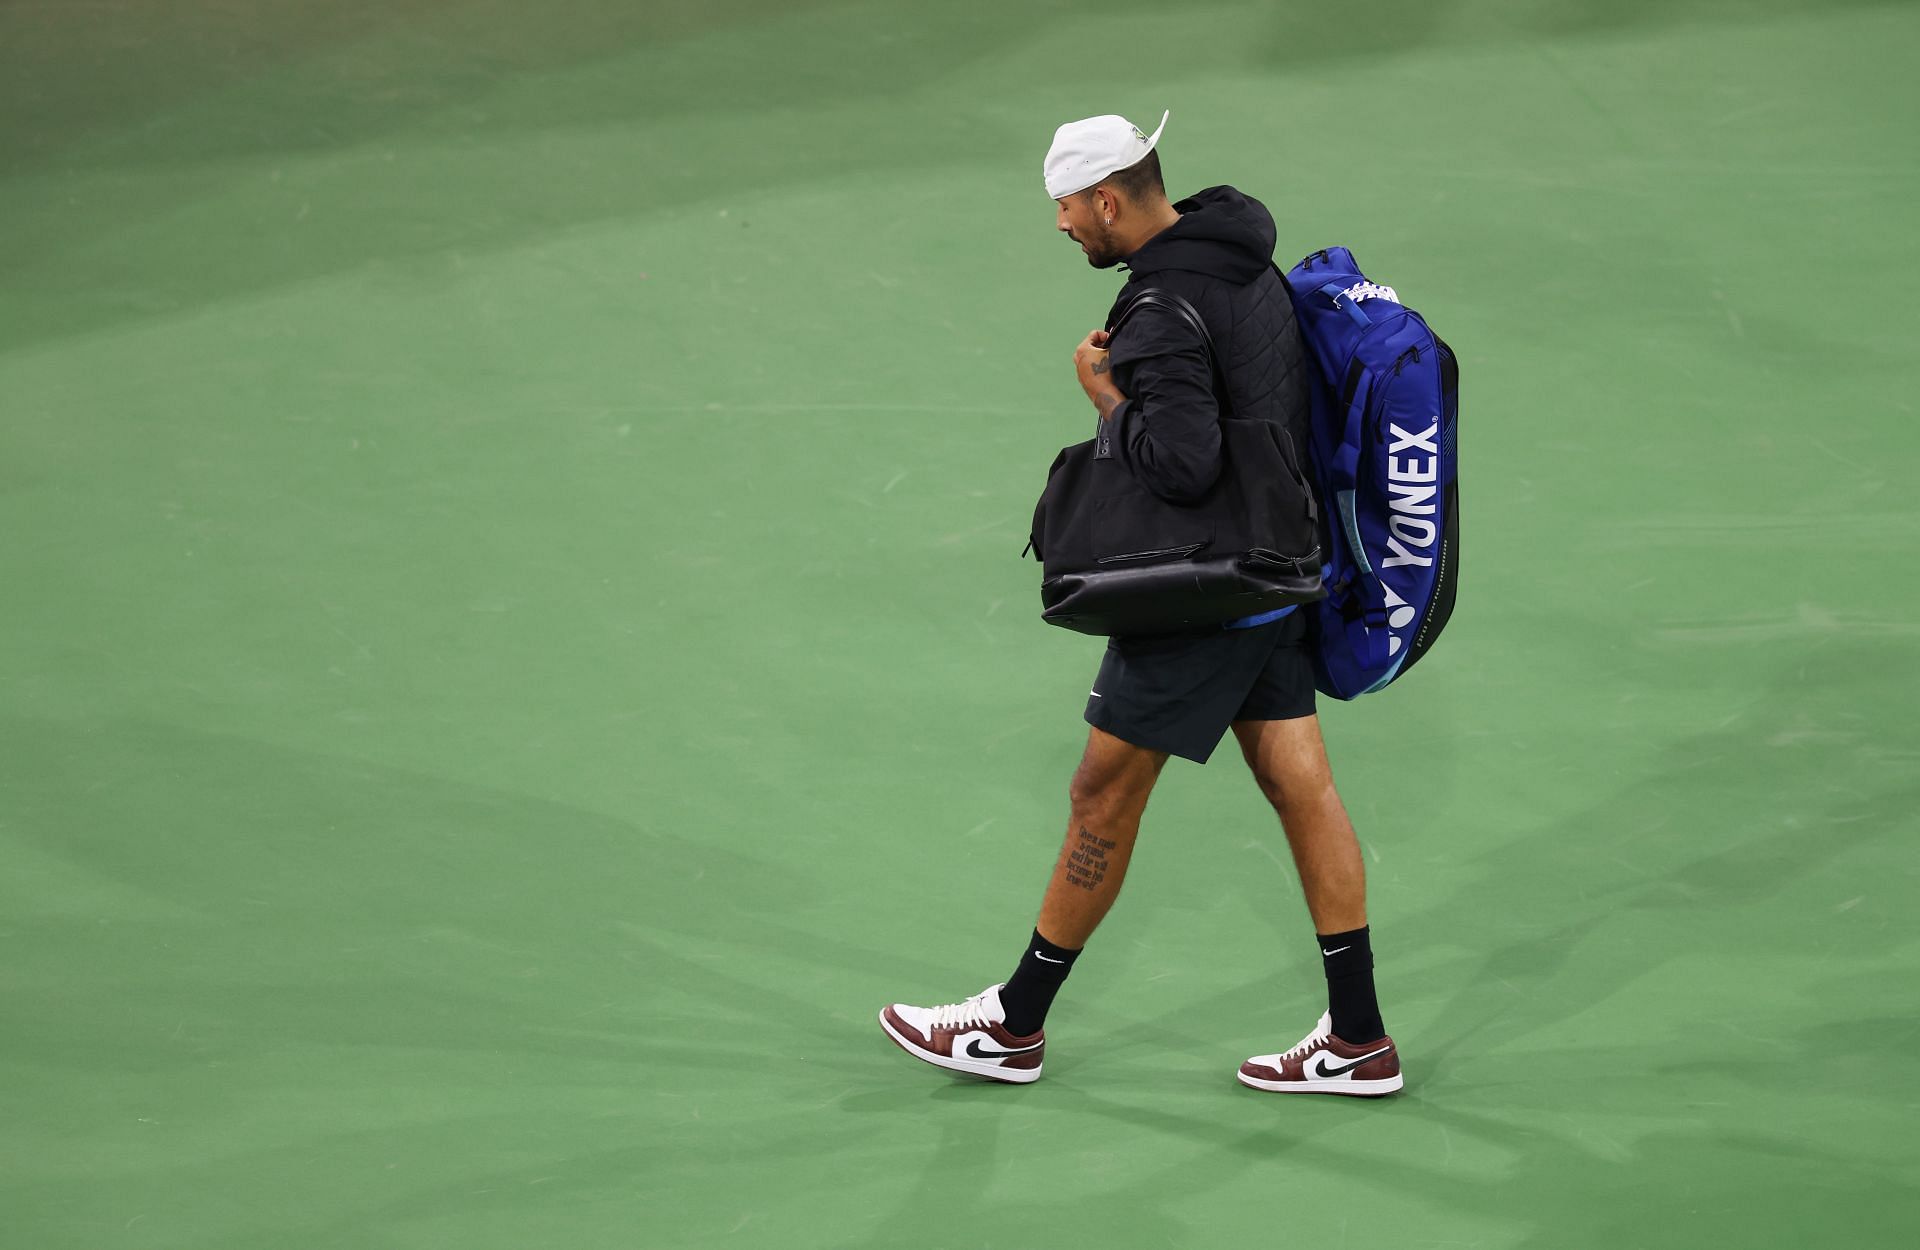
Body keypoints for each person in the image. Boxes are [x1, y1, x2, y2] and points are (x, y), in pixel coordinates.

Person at [877, 111, 1402, 1097]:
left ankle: (1014, 1024)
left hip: (1216, 591)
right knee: (1301, 782)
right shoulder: (1242, 257)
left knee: (1100, 793)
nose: (1064, 224)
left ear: (1109, 199)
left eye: (1068, 207)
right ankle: (1360, 1036)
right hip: (1286, 557)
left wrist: (1105, 396)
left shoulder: (1159, 309)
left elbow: (1182, 462)